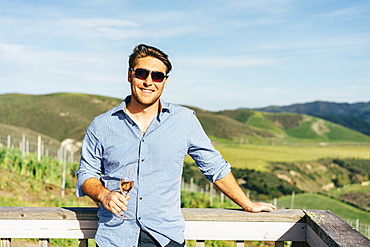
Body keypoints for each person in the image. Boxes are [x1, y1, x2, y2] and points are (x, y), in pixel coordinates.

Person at [76, 44, 276, 247]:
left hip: (166, 238)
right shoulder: (101, 125)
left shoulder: (184, 120)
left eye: (157, 76)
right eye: (142, 73)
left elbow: (214, 166)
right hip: (115, 238)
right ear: (130, 76)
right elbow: (86, 173)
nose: (148, 82)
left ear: (164, 82)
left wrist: (247, 203)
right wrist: (104, 194)